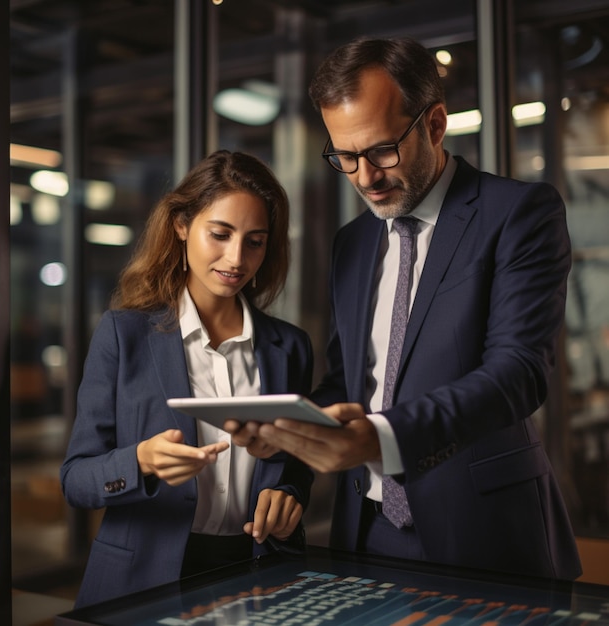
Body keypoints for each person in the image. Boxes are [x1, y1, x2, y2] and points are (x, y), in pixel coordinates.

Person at [226, 37, 582, 580]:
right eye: (345, 157)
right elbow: (348, 381)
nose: (365, 178)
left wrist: (384, 435)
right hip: (361, 531)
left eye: (381, 151)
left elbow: (518, 374)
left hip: (481, 529)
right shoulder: (353, 243)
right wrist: (286, 433)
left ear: (435, 124)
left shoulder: (518, 213)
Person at [60, 150, 314, 607]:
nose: (236, 258)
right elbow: (76, 479)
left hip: (259, 574)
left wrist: (289, 495)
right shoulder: (124, 334)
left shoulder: (289, 348)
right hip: (142, 579)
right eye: (220, 234)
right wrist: (139, 461)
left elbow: (295, 461)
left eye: (254, 241)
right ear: (181, 225)